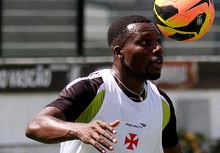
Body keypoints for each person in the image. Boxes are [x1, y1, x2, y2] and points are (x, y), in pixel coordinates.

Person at [25, 14, 184, 153]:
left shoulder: (161, 103)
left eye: (157, 41)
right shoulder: (91, 89)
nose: (158, 48)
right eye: (145, 42)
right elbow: (36, 125)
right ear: (119, 52)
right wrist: (80, 129)